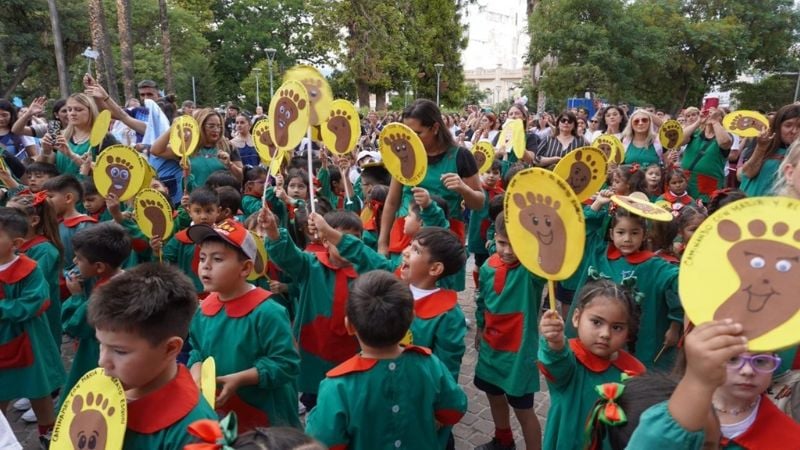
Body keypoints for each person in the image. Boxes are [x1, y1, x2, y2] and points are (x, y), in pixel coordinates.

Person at [305, 270, 467, 450]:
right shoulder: (430, 364)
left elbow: (326, 441)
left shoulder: (337, 385)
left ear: (349, 326)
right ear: (411, 318)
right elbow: (454, 409)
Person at [186, 218, 301, 431]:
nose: (206, 266)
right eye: (202, 258)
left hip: (268, 419)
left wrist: (241, 379)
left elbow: (287, 363)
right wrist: (196, 373)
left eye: (218, 259)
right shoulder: (203, 309)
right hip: (225, 415)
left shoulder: (267, 311)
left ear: (245, 268)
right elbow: (197, 351)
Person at [88, 262, 217, 448]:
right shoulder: (101, 393)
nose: (102, 362)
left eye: (119, 351)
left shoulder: (196, 432)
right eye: (101, 344)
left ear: (170, 348)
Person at [565, 189, 682, 371]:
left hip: (634, 348)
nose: (627, 239)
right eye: (621, 232)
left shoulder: (654, 266)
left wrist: (676, 324)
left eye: (634, 233)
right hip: (595, 339)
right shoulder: (598, 254)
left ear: (644, 235)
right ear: (612, 234)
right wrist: (597, 204)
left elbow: (680, 284)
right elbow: (582, 232)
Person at [259, 207, 361, 411]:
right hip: (316, 354)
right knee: (317, 403)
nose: (348, 245)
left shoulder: (366, 271)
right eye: (341, 238)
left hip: (353, 355)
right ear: (325, 241)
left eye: (355, 239)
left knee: (351, 403)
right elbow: (289, 257)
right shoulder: (311, 265)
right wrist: (273, 232)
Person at [378, 99, 484, 291]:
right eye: (408, 133)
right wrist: (382, 243)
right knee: (401, 291)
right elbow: (392, 202)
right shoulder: (403, 155)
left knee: (439, 294)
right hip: (406, 234)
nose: (412, 139)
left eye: (417, 133)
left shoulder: (460, 156)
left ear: (435, 127)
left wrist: (463, 189)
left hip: (443, 237)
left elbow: (479, 202)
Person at [538, 278, 645, 450]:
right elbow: (556, 363)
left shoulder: (635, 371)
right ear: (576, 317)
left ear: (628, 332)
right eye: (596, 322)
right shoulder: (570, 360)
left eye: (617, 327)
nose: (605, 334)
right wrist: (556, 342)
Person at [472, 213, 545, 450]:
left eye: (516, 244)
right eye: (503, 242)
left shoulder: (531, 272)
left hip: (519, 353)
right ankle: (503, 440)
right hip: (492, 347)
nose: (508, 250)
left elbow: (548, 263)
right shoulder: (487, 266)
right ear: (495, 238)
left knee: (524, 409)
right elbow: (482, 300)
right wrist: (479, 327)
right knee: (493, 394)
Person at [0, 208, 65, 448]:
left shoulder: (29, 269)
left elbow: (33, 303)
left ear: (15, 243)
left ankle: (49, 435)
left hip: (29, 340)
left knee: (39, 390)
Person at [60, 222, 131, 404]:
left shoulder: (102, 295)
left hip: (97, 356)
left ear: (99, 267)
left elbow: (74, 325)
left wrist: (76, 296)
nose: (75, 262)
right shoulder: (126, 278)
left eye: (79, 258)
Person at [150, 108, 244, 189]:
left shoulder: (228, 146)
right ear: (200, 126)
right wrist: (174, 127)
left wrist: (230, 164)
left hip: (223, 202)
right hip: (196, 204)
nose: (216, 130)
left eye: (219, 126)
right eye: (211, 126)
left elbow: (241, 177)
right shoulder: (187, 147)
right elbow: (156, 150)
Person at [155, 187, 220, 294]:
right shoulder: (180, 239)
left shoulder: (224, 238)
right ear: (189, 212)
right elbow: (165, 262)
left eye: (209, 211)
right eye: (197, 211)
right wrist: (157, 252)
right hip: (187, 295)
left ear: (218, 211)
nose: (203, 217)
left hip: (217, 295)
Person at [37, 93, 118, 176]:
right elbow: (41, 169)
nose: (72, 113)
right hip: (61, 188)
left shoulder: (104, 138)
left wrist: (71, 155)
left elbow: (112, 173)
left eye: (78, 109)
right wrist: (45, 152)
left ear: (90, 111)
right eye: (69, 109)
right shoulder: (60, 136)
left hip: (88, 188)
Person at [42, 175, 97, 291]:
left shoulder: (85, 225)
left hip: (75, 289)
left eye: (50, 197)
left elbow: (88, 262)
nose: (45, 201)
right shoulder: (54, 223)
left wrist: (68, 276)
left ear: (68, 198)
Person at [739, 103, 800, 196]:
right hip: (750, 204)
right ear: (777, 126)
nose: (794, 131)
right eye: (788, 125)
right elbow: (747, 173)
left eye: (799, 126)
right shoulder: (763, 140)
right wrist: (761, 147)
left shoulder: (797, 152)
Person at [679, 107, 733, 202]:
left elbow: (725, 143)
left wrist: (715, 122)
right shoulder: (695, 133)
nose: (711, 116)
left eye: (715, 114)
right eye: (709, 113)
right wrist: (698, 122)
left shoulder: (724, 136)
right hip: (686, 183)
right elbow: (678, 139)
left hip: (707, 189)